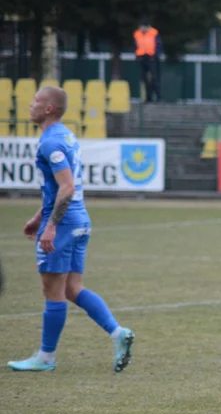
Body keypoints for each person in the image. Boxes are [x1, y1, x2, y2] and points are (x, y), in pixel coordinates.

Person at [8, 87, 135, 373]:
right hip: (79, 220)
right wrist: (39, 217)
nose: (30, 105)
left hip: (64, 225)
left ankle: (46, 357)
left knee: (52, 290)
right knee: (72, 288)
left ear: (49, 108)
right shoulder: (65, 135)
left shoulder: (50, 143)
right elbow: (59, 189)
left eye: (36, 101)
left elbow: (67, 186)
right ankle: (118, 333)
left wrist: (50, 226)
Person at [134, 20, 161, 103]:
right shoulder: (137, 34)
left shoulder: (154, 33)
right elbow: (135, 46)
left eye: (142, 26)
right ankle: (147, 98)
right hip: (142, 58)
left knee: (154, 78)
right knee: (144, 79)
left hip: (151, 58)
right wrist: (137, 56)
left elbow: (158, 45)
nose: (141, 28)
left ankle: (158, 97)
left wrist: (155, 56)